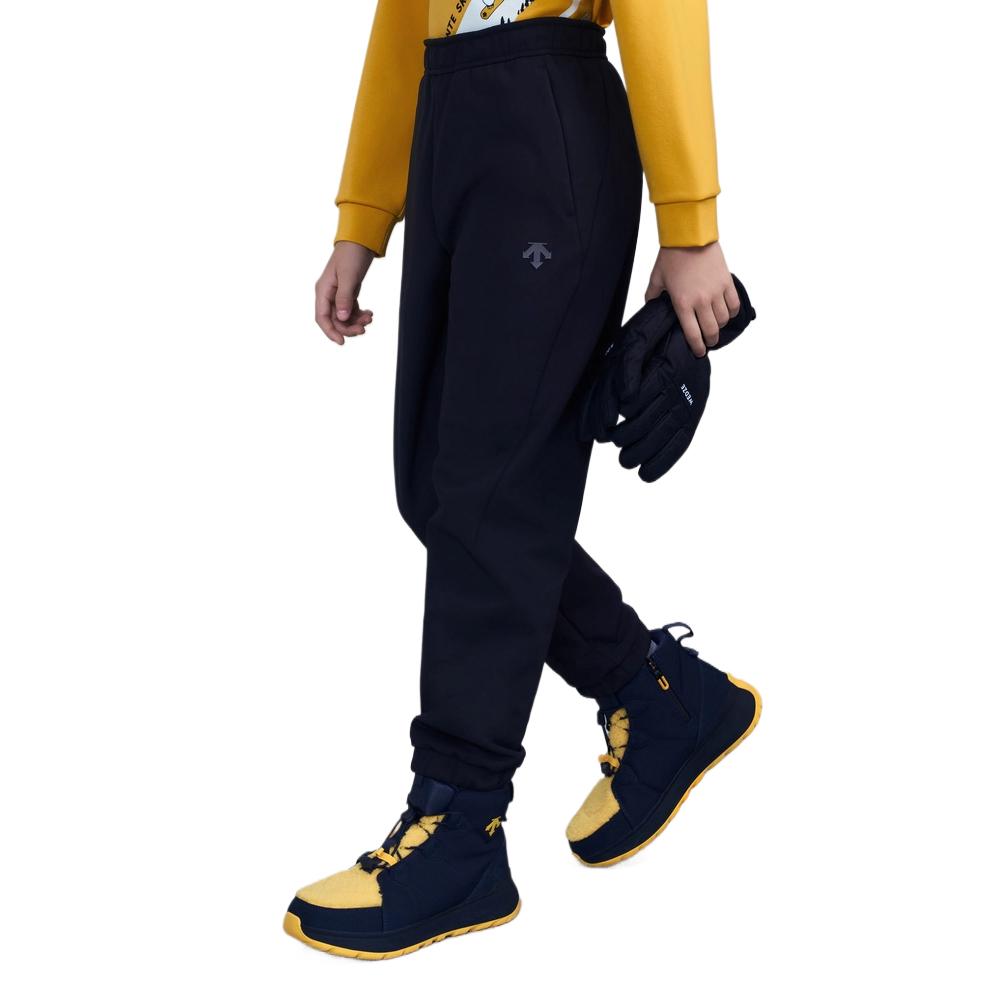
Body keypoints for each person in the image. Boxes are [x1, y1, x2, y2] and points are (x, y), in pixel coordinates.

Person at [284, 0, 760, 961]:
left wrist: (691, 226)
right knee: (438, 489)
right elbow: (403, 17)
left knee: (492, 497)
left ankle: (459, 821)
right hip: (449, 122)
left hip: (548, 119)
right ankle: (660, 696)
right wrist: (363, 216)